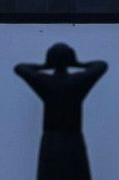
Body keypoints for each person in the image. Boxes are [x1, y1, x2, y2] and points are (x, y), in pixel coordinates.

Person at [14, 43, 108, 180]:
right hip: (73, 140)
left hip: (51, 141)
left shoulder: (45, 82)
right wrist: (77, 64)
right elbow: (101, 65)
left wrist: (44, 66)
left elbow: (20, 68)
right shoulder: (77, 81)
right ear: (70, 59)